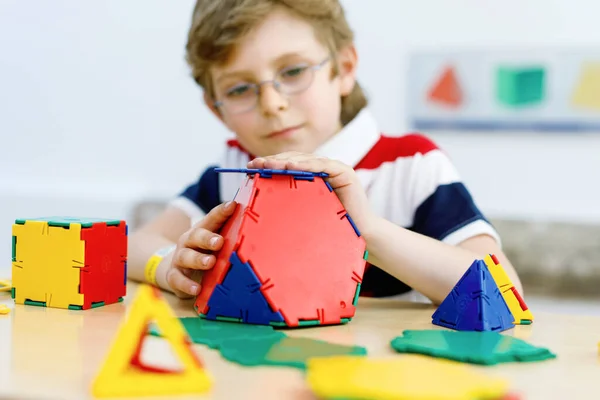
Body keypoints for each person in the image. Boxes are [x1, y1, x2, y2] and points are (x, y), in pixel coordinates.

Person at [127, 0, 523, 305]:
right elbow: (135, 244)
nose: (272, 103)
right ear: (217, 110)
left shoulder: (412, 166)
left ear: (345, 67)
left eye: (293, 71)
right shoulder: (232, 171)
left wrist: (369, 231)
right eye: (238, 89)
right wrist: (168, 265)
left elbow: (503, 291)